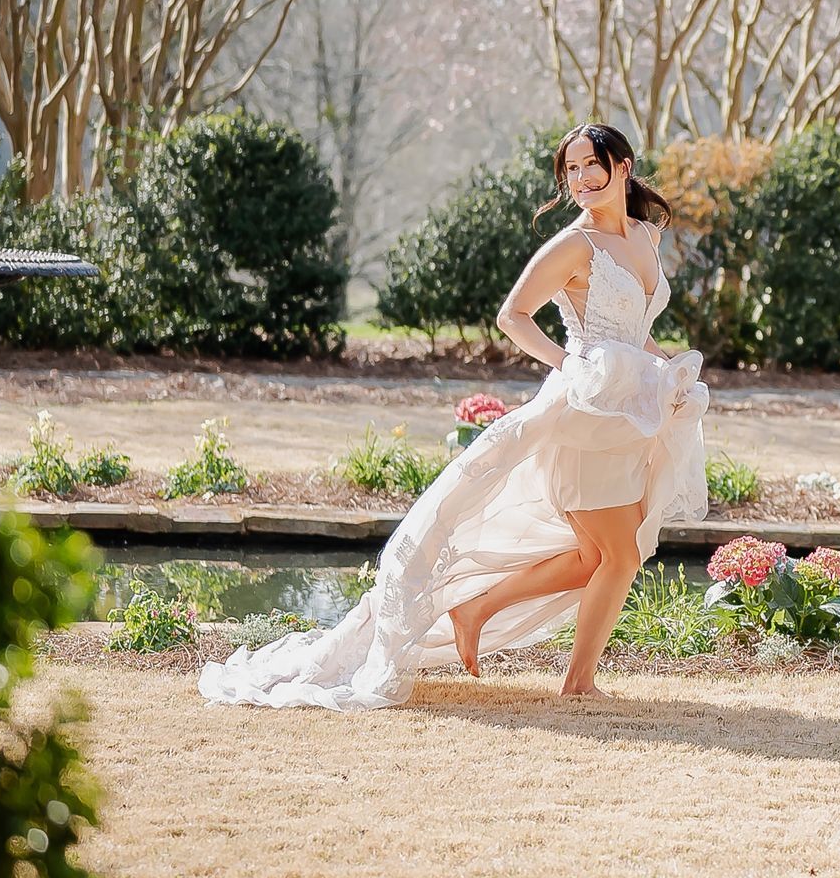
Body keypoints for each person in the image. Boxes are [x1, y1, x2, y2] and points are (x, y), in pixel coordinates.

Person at [199, 123, 709, 709]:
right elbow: (513, 315)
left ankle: (476, 609)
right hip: (581, 415)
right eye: (570, 170)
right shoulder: (574, 245)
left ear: (622, 165)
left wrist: (668, 371)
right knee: (619, 556)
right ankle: (578, 683)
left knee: (596, 557)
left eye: (591, 165)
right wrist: (573, 363)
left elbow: (635, 330)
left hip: (629, 414)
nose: (581, 179)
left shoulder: (645, 236)